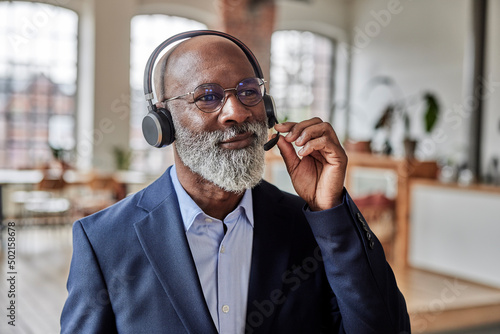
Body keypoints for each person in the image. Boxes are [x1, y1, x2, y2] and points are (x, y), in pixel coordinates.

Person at [61, 31, 410, 334]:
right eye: (208, 96)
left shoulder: (312, 226)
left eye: (248, 92)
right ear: (162, 122)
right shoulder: (104, 241)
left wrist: (329, 211)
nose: (237, 112)